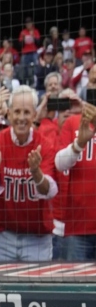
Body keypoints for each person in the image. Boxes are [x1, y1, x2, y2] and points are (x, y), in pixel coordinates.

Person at [0, 86, 58, 261]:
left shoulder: (44, 144)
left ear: (34, 115)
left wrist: (36, 172)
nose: (21, 118)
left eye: (26, 112)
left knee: (37, 288)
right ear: (8, 114)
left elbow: (49, 191)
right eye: (17, 112)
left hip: (37, 238)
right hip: (4, 237)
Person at [54, 102, 96, 260]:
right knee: (76, 284)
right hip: (78, 226)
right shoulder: (72, 122)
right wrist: (79, 144)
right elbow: (59, 163)